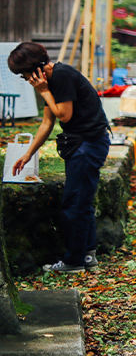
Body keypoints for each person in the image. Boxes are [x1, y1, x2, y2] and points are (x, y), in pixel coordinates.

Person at [8, 42, 109, 273]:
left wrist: (43, 91)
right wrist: (28, 154)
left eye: (24, 75)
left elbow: (64, 115)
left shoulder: (60, 77)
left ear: (35, 70)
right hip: (84, 143)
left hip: (88, 145)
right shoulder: (52, 79)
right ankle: (87, 255)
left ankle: (73, 261)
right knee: (81, 202)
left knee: (73, 204)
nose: (26, 80)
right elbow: (47, 122)